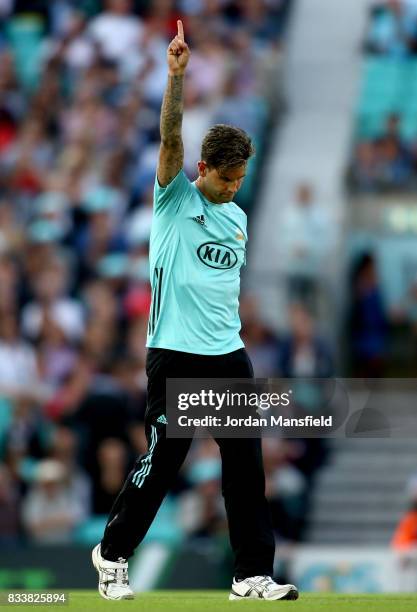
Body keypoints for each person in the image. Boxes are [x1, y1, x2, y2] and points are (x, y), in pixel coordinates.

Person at [91, 20, 299, 602]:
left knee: (245, 469)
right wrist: (175, 78)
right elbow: (170, 140)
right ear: (203, 170)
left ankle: (251, 574)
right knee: (163, 465)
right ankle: (111, 556)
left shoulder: (237, 216)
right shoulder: (174, 198)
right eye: (227, 178)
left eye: (241, 179)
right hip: (175, 352)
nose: (234, 188)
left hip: (227, 352)